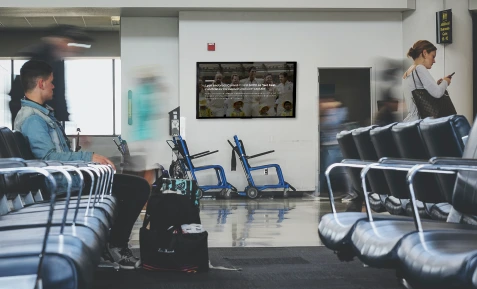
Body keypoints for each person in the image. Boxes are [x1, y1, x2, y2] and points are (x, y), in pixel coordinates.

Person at [14, 59, 149, 270]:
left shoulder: (41, 115)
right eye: (51, 82)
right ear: (41, 83)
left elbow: (57, 155)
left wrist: (88, 161)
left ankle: (108, 244)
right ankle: (115, 245)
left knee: (129, 186)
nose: (53, 86)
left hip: (65, 179)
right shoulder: (33, 119)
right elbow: (48, 158)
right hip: (59, 184)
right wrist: (89, 157)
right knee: (137, 187)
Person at [9, 24, 92, 127]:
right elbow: (50, 96)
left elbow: (59, 95)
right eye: (71, 43)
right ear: (59, 41)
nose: (75, 49)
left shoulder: (57, 61)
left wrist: (66, 125)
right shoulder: (41, 59)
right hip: (33, 118)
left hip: (41, 117)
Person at [402, 40, 452, 122]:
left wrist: (436, 84)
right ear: (424, 53)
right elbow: (438, 93)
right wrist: (446, 82)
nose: (434, 61)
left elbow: (418, 93)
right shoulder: (419, 68)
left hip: (411, 121)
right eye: (433, 56)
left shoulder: (407, 73)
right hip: (421, 122)